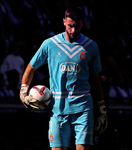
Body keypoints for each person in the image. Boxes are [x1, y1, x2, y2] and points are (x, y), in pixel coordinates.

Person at [20, 7, 107, 150]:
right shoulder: (50, 44)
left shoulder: (91, 46)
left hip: (83, 107)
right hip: (57, 108)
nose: (73, 30)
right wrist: (23, 92)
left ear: (82, 23)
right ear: (64, 22)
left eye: (77, 26)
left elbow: (96, 78)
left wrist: (102, 109)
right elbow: (31, 68)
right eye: (70, 25)